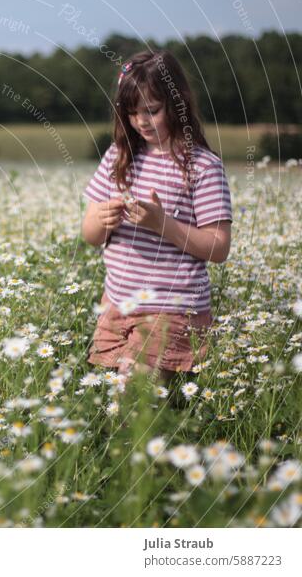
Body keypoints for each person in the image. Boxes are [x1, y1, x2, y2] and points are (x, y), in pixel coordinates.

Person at [80, 50, 233, 386]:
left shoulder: (202, 167)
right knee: (113, 401)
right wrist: (103, 220)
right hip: (116, 304)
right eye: (132, 113)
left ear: (178, 104)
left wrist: (160, 223)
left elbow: (219, 248)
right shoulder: (118, 157)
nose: (141, 122)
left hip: (171, 309)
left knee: (133, 400)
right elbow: (90, 233)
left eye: (152, 111)